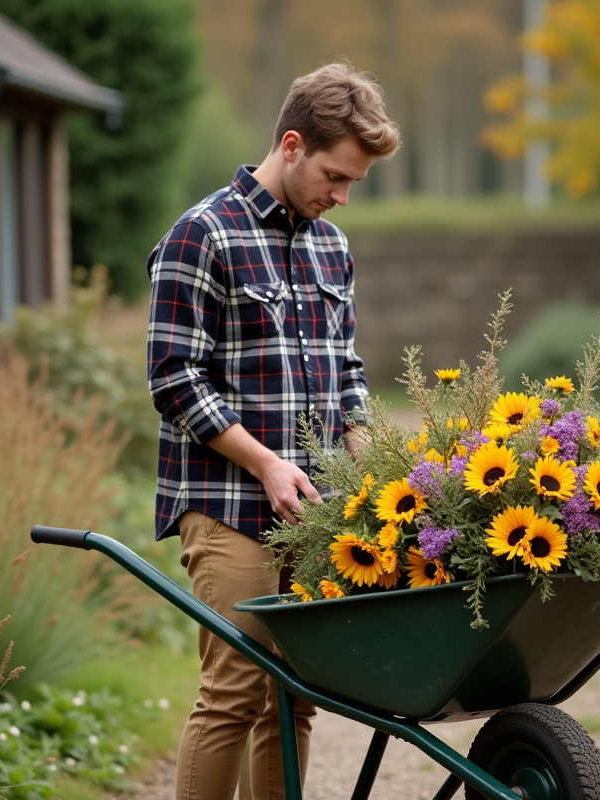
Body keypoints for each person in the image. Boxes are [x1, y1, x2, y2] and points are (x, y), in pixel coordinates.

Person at [145, 63, 401, 800]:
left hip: (313, 509)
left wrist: (361, 442)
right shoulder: (201, 236)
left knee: (296, 696)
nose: (341, 196)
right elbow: (172, 378)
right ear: (291, 144)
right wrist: (263, 464)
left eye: (354, 183)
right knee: (235, 693)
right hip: (228, 502)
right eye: (333, 175)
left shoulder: (332, 246)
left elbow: (346, 367)